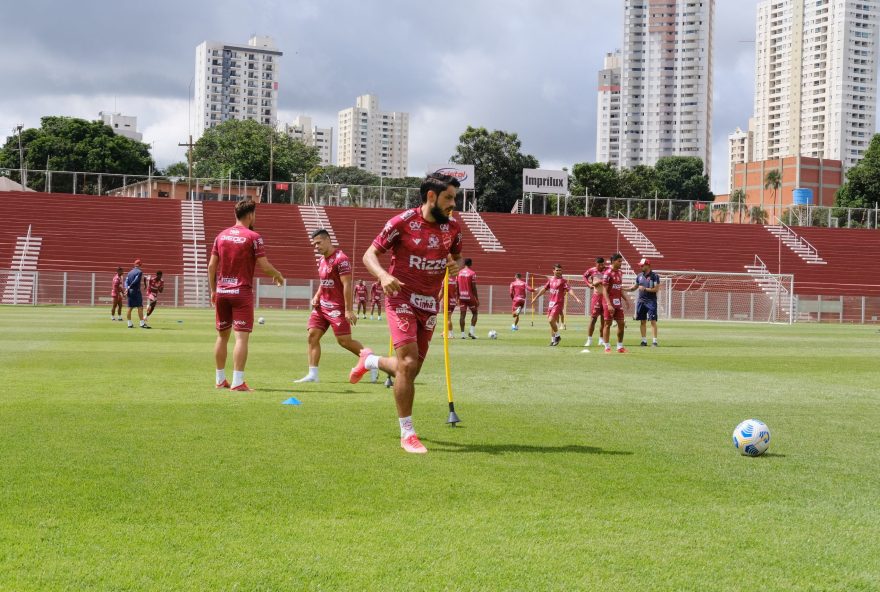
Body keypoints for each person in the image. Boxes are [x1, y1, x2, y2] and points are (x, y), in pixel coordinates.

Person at [354, 173, 464, 454]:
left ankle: (371, 361)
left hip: (429, 304)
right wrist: (382, 276)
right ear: (431, 196)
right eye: (448, 197)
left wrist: (456, 265)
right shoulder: (402, 223)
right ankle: (408, 433)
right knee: (408, 362)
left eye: (454, 197)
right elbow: (369, 255)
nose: (453, 203)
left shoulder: (453, 228)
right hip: (400, 297)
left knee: (409, 369)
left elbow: (458, 256)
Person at [208, 199, 284, 391]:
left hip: (223, 292)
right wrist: (278, 274)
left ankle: (219, 380)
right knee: (241, 339)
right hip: (241, 293)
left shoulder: (221, 236)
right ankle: (238, 382)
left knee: (221, 337)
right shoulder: (253, 237)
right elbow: (265, 266)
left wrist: (213, 290)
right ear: (250, 215)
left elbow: (211, 266)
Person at [294, 229, 376, 384]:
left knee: (344, 341)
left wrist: (349, 310)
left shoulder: (341, 259)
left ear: (328, 240)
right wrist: (317, 296)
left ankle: (371, 362)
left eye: (318, 243)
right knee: (312, 336)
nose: (316, 247)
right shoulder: (321, 261)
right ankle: (313, 374)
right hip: (322, 306)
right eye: (314, 244)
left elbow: (347, 284)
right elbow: (324, 283)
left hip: (336, 307)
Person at [530, 264, 581, 346]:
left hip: (558, 303)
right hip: (551, 303)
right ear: (553, 271)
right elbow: (544, 289)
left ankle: (557, 336)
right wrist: (536, 297)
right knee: (552, 323)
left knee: (550, 320)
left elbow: (569, 289)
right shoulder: (550, 280)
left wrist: (576, 298)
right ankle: (553, 340)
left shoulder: (563, 281)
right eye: (557, 270)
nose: (559, 271)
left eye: (560, 270)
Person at [627, 257, 661, 346]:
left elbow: (656, 289)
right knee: (642, 321)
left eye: (642, 265)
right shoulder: (639, 276)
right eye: (640, 265)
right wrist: (623, 289)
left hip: (651, 301)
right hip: (641, 301)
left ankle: (654, 341)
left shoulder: (655, 276)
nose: (640, 266)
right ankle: (644, 341)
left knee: (653, 321)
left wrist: (645, 289)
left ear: (648, 265)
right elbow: (634, 287)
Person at [601, 253, 629, 354]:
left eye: (621, 261)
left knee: (621, 323)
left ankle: (620, 347)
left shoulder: (620, 273)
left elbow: (619, 288)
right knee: (607, 324)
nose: (621, 263)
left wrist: (626, 299)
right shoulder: (607, 273)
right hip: (608, 302)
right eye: (619, 261)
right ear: (613, 261)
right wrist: (608, 304)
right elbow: (604, 290)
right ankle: (607, 347)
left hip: (618, 302)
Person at [583, 257, 608, 348]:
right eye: (599, 264)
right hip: (596, 296)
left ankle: (601, 339)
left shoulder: (607, 270)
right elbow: (584, 276)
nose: (601, 266)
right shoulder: (592, 270)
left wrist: (601, 281)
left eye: (602, 264)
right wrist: (589, 284)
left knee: (604, 320)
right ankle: (589, 340)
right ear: (596, 264)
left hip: (605, 297)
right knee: (593, 319)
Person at [456, 258, 479, 339]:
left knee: (462, 315)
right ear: (470, 264)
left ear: (464, 264)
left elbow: (457, 285)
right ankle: (471, 332)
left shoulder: (459, 273)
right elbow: (474, 287)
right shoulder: (472, 273)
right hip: (470, 297)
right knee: (475, 313)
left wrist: (457, 297)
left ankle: (462, 334)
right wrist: (476, 298)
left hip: (462, 297)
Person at [124, 259, 149, 329]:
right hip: (136, 291)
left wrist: (127, 288)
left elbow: (126, 281)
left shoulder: (129, 272)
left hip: (130, 291)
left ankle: (129, 324)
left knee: (130, 308)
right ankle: (142, 323)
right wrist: (129, 286)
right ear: (140, 265)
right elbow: (136, 280)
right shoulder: (139, 272)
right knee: (140, 307)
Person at [445, 271, 459, 339]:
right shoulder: (455, 280)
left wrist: (438, 300)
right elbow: (456, 291)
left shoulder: (445, 279)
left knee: (448, 318)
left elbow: (442, 291)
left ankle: (451, 334)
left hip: (447, 301)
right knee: (447, 318)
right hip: (453, 301)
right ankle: (445, 332)